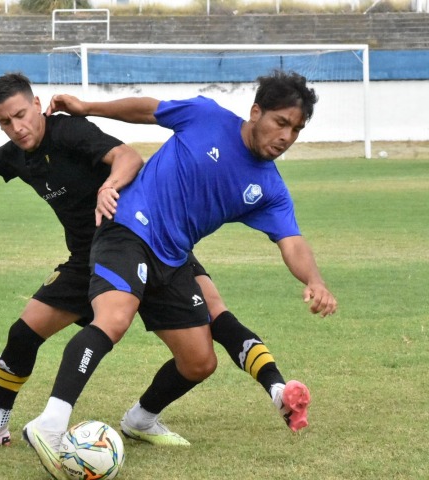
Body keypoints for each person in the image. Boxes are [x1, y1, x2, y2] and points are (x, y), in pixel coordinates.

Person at [0, 72, 310, 456]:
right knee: (26, 332)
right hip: (92, 256)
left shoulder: (70, 132)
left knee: (206, 341)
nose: (17, 127)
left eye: (20, 115)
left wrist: (110, 181)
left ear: (36, 104)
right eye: (5, 122)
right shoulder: (17, 153)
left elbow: (127, 156)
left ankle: (152, 415)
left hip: (139, 236)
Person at [23, 69, 337, 480]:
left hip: (172, 259)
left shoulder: (269, 189)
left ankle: (140, 419)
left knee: (199, 362)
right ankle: (50, 421)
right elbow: (148, 110)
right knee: (113, 320)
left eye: (296, 130)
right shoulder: (206, 115)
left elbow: (291, 241)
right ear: (256, 112)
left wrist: (314, 281)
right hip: (127, 230)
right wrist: (87, 106)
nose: (286, 136)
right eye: (281, 122)